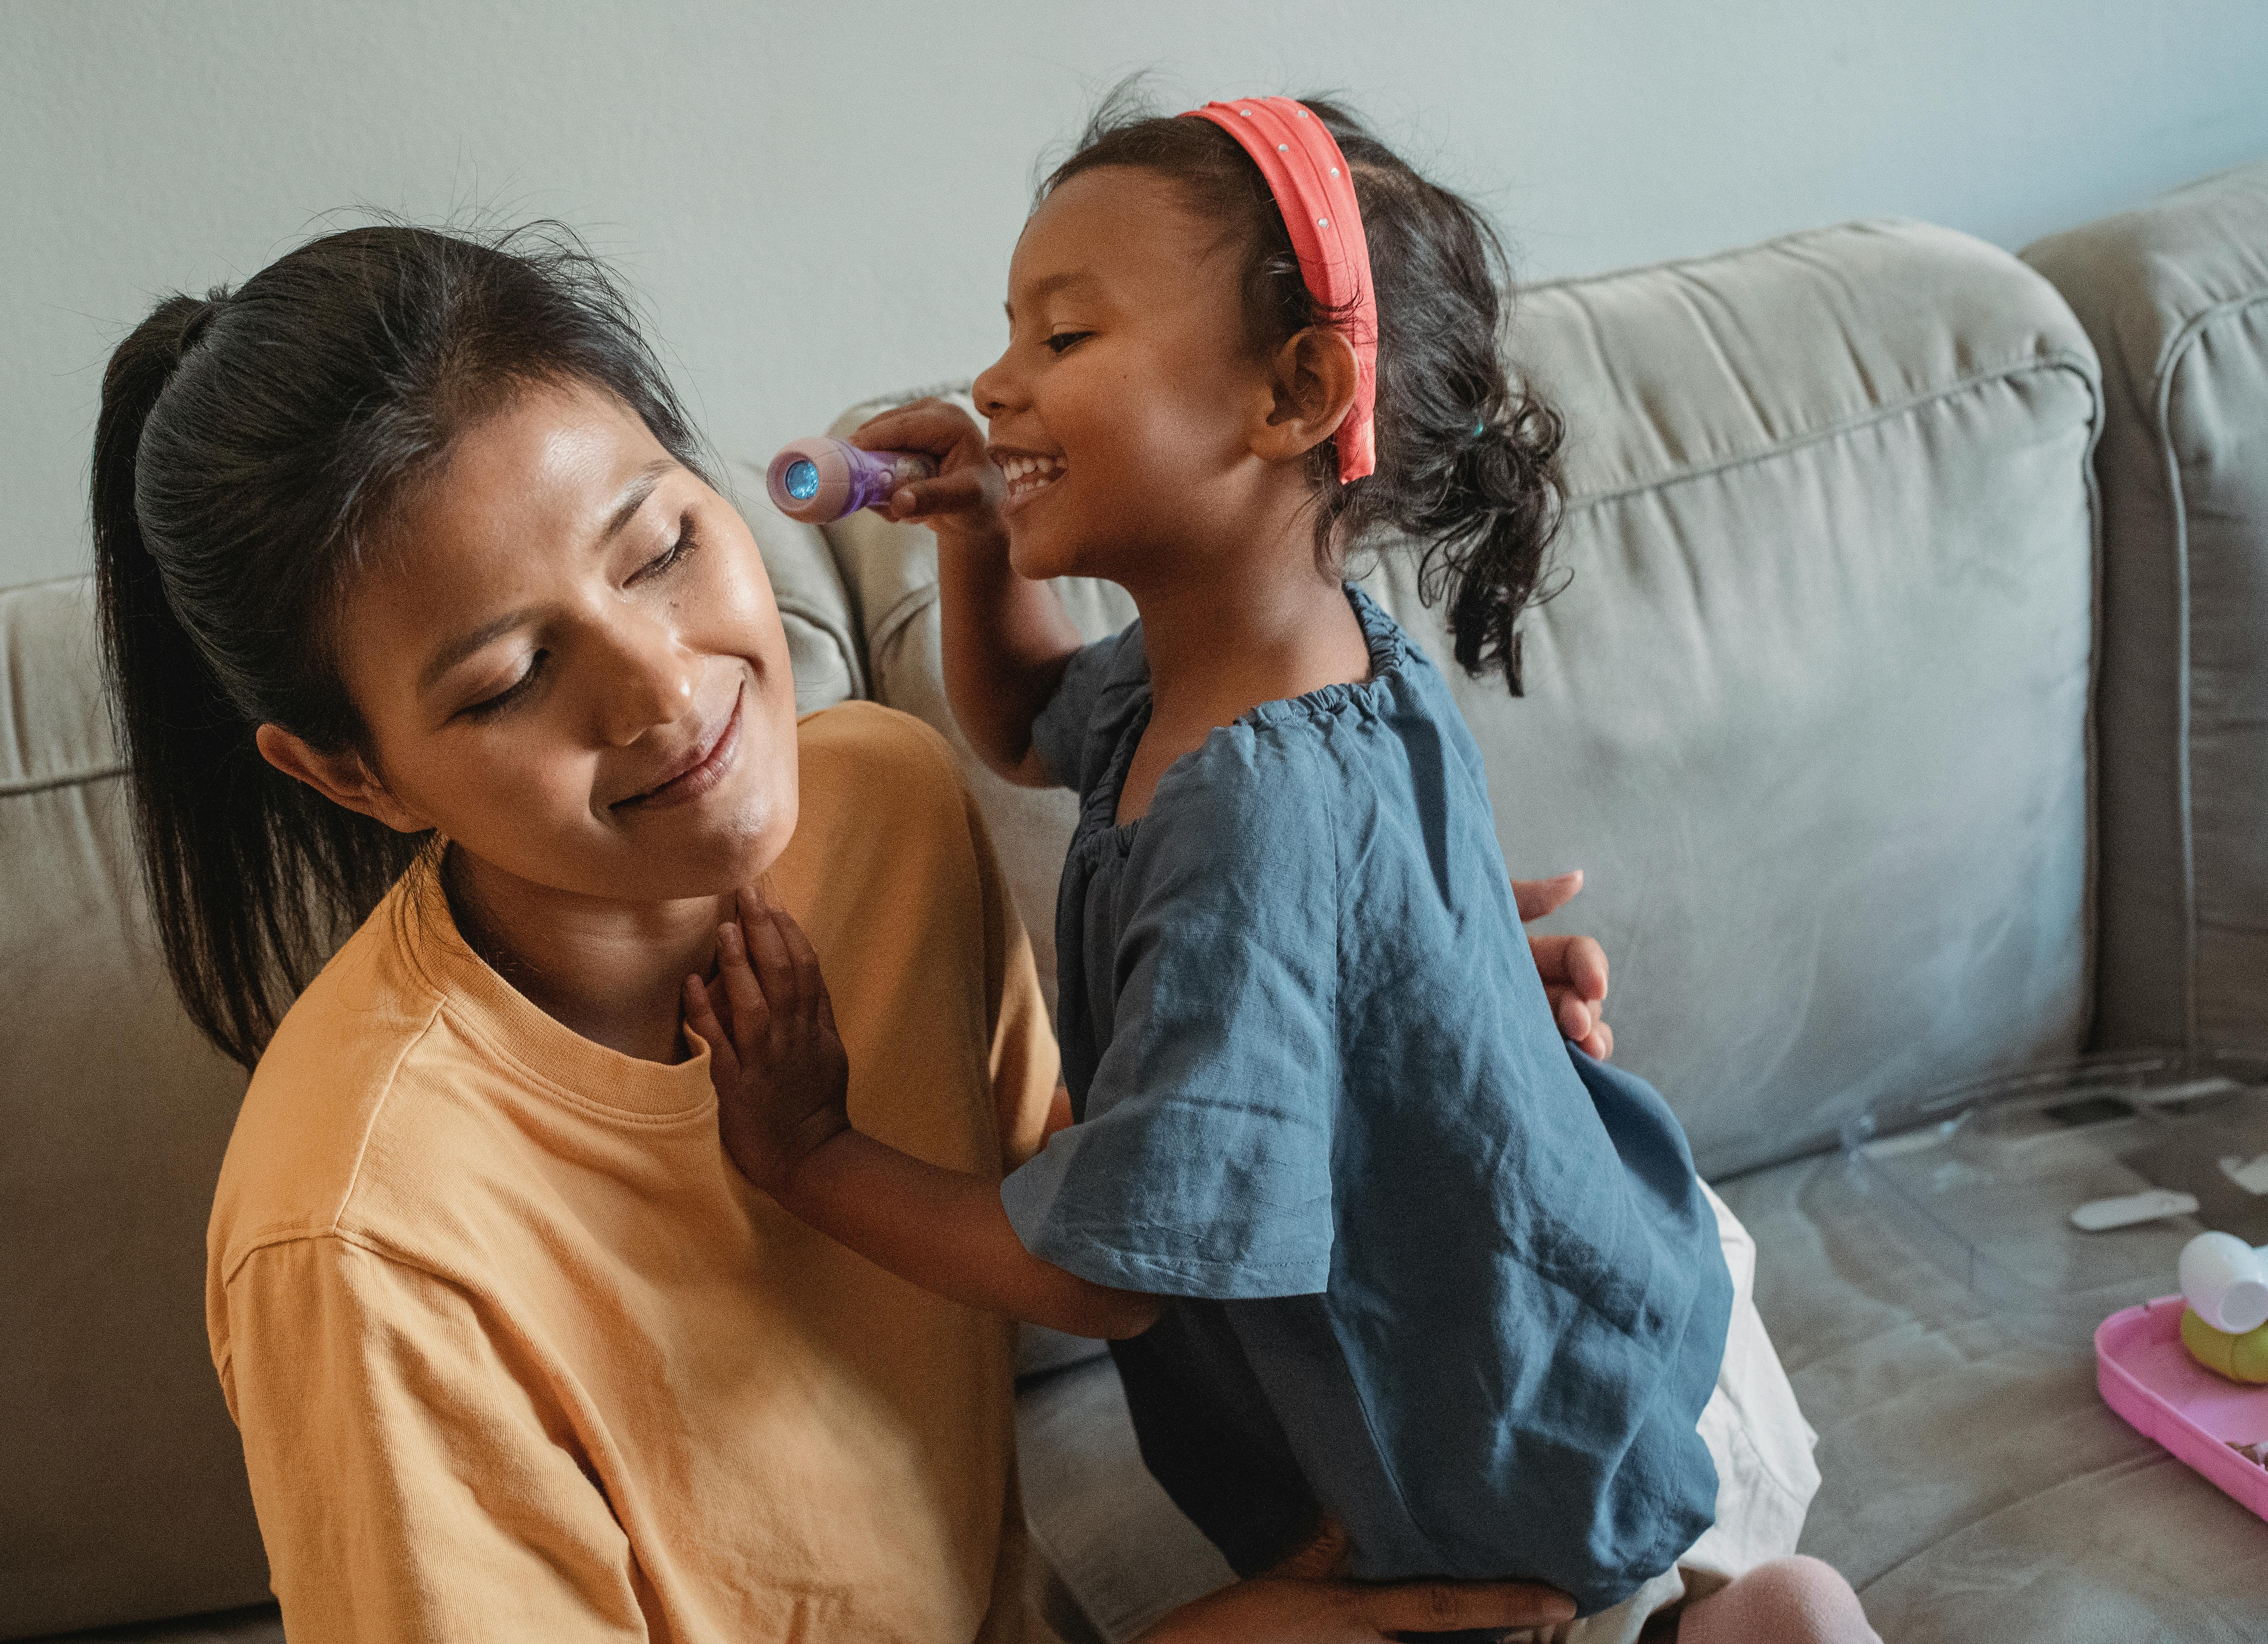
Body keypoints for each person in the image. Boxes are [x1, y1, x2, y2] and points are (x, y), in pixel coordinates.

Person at [90, 219, 1607, 1641]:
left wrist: (1378, 1024)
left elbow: (1076, 1193)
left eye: (660, 548)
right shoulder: (362, 1242)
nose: (669, 691)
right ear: (351, 773)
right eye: (506, 681)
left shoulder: (877, 804)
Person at [693, 95, 1878, 1644]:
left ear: (1294, 391)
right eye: (1008, 336)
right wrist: (978, 532)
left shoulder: (1248, 812)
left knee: (1703, 1620)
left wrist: (807, 1155)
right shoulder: (1266, 661)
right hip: (1591, 1301)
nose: (995, 383)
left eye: (1064, 337)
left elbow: (1102, 1274)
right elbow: (1029, 726)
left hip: (1523, 1451)